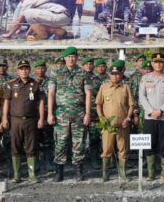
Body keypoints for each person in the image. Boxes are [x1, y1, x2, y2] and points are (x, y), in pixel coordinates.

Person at [47, 47, 92, 182]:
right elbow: (51, 94)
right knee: (60, 143)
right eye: (69, 57)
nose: (71, 59)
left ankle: (78, 171)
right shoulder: (56, 72)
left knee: (79, 143)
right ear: (64, 58)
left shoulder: (83, 73)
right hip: (61, 114)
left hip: (79, 114)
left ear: (77, 58)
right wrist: (50, 113)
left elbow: (88, 94)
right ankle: (59, 172)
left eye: (74, 56)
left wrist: (87, 114)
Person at [2, 60, 44, 183]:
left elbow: (41, 102)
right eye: (21, 69)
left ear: (29, 70)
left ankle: (32, 175)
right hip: (15, 120)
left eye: (26, 68)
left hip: (31, 120)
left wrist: (41, 118)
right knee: (15, 147)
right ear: (18, 71)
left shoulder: (35, 84)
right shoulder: (12, 84)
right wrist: (4, 118)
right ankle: (17, 175)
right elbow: (6, 102)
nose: (24, 71)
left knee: (31, 147)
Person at [139, 53, 164, 181]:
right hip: (150, 118)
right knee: (149, 144)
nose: (158, 64)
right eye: (156, 62)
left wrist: (160, 110)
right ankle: (151, 173)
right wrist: (150, 111)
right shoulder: (145, 78)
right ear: (152, 63)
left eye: (161, 62)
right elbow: (142, 96)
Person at [96, 63, 135, 182]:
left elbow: (131, 105)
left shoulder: (126, 87)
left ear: (121, 75)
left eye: (118, 74)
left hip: (122, 125)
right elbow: (98, 104)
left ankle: (122, 174)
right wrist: (101, 117)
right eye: (113, 74)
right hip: (108, 126)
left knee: (123, 150)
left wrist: (128, 118)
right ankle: (105, 174)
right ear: (109, 75)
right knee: (107, 150)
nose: (115, 77)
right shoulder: (104, 87)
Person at [0, 0, 70, 40]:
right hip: (64, 16)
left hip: (58, 16)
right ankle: (58, 31)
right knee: (30, 14)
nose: (20, 3)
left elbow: (19, 19)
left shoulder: (28, 0)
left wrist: (9, 34)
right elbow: (35, 19)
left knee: (27, 13)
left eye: (20, 1)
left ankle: (44, 35)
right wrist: (28, 33)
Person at [33, 60, 54, 173]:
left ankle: (48, 162)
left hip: (47, 115)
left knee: (48, 140)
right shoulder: (31, 82)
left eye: (42, 68)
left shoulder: (50, 81)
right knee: (34, 140)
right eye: (38, 68)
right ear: (35, 70)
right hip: (34, 115)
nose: (40, 70)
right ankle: (35, 163)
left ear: (45, 69)